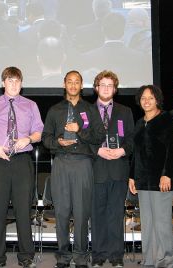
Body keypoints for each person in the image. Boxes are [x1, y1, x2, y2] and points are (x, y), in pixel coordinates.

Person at [0, 66, 44, 268]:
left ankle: (26, 257)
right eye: (10, 80)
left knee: (24, 210)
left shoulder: (31, 105)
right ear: (3, 83)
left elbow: (39, 132)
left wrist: (28, 138)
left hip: (22, 161)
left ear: (21, 84)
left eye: (17, 81)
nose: (14, 84)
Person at [42, 70, 106, 268]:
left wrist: (81, 131)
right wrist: (58, 142)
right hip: (61, 162)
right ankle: (62, 256)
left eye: (76, 82)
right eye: (69, 81)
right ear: (64, 84)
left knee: (81, 212)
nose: (72, 85)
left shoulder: (90, 109)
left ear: (81, 85)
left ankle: (80, 257)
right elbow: (45, 138)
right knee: (61, 212)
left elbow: (99, 136)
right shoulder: (54, 110)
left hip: (83, 163)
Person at [128, 85, 173, 268]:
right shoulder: (140, 122)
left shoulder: (167, 120)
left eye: (150, 98)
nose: (146, 101)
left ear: (157, 99)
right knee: (147, 224)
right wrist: (132, 176)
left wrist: (167, 175)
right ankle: (149, 260)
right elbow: (136, 152)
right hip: (142, 181)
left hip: (161, 181)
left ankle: (168, 260)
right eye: (143, 98)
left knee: (162, 223)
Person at [90, 70, 134, 268]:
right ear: (96, 87)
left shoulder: (125, 112)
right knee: (97, 213)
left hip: (118, 169)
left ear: (115, 89)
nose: (106, 88)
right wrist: (97, 150)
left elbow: (133, 139)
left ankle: (116, 255)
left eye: (110, 85)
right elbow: (83, 140)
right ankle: (98, 254)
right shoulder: (87, 111)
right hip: (96, 169)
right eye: (103, 85)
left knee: (116, 214)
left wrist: (123, 151)